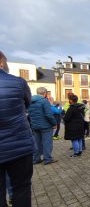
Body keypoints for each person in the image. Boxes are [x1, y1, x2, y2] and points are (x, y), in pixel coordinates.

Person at [0, 51, 34, 207]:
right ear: (1, 62)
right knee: (21, 188)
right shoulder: (18, 83)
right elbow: (27, 104)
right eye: (6, 62)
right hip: (18, 143)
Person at [28, 87, 58, 165]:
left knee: (37, 143)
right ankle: (47, 159)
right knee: (47, 143)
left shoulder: (30, 101)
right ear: (45, 94)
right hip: (45, 126)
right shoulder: (44, 101)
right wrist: (54, 123)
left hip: (35, 126)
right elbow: (48, 114)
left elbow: (29, 114)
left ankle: (36, 159)